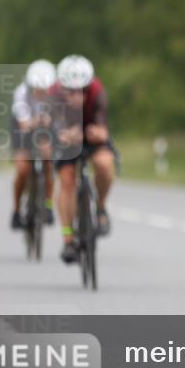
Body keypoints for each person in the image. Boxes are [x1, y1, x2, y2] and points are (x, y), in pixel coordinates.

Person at [51, 55, 115, 264]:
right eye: (71, 90)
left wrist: (95, 133)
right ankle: (68, 238)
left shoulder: (97, 91)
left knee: (104, 164)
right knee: (67, 180)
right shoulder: (54, 94)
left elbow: (102, 129)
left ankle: (101, 207)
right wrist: (62, 134)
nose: (77, 94)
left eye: (82, 90)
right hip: (66, 139)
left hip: (89, 135)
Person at [10, 59, 57, 229]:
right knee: (22, 169)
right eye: (38, 89)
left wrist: (49, 122)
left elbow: (57, 118)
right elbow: (24, 125)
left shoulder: (55, 93)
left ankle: (48, 204)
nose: (41, 92)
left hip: (44, 127)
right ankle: (16, 211)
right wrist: (36, 121)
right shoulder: (21, 93)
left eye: (44, 89)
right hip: (24, 127)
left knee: (48, 159)